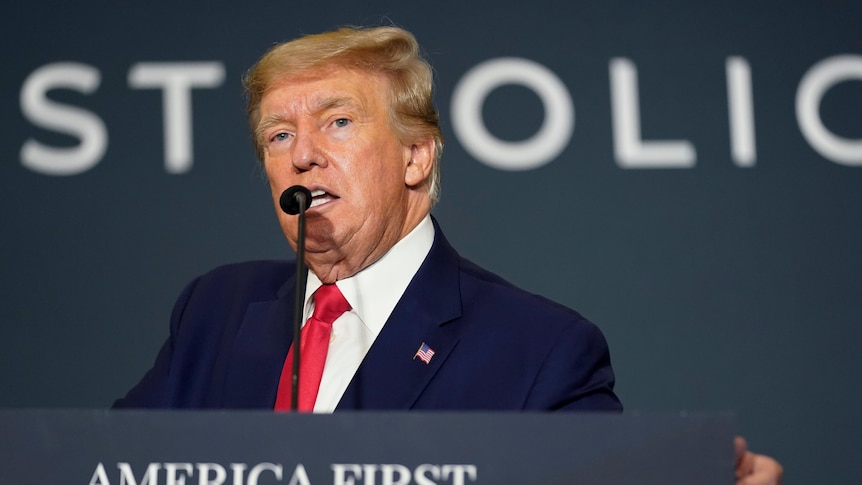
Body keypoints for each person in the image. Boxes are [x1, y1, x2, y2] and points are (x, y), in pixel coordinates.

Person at [114, 25, 780, 484]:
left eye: (338, 121)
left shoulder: (539, 350)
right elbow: (101, 465)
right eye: (278, 133)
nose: (302, 153)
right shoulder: (215, 312)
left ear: (416, 154)